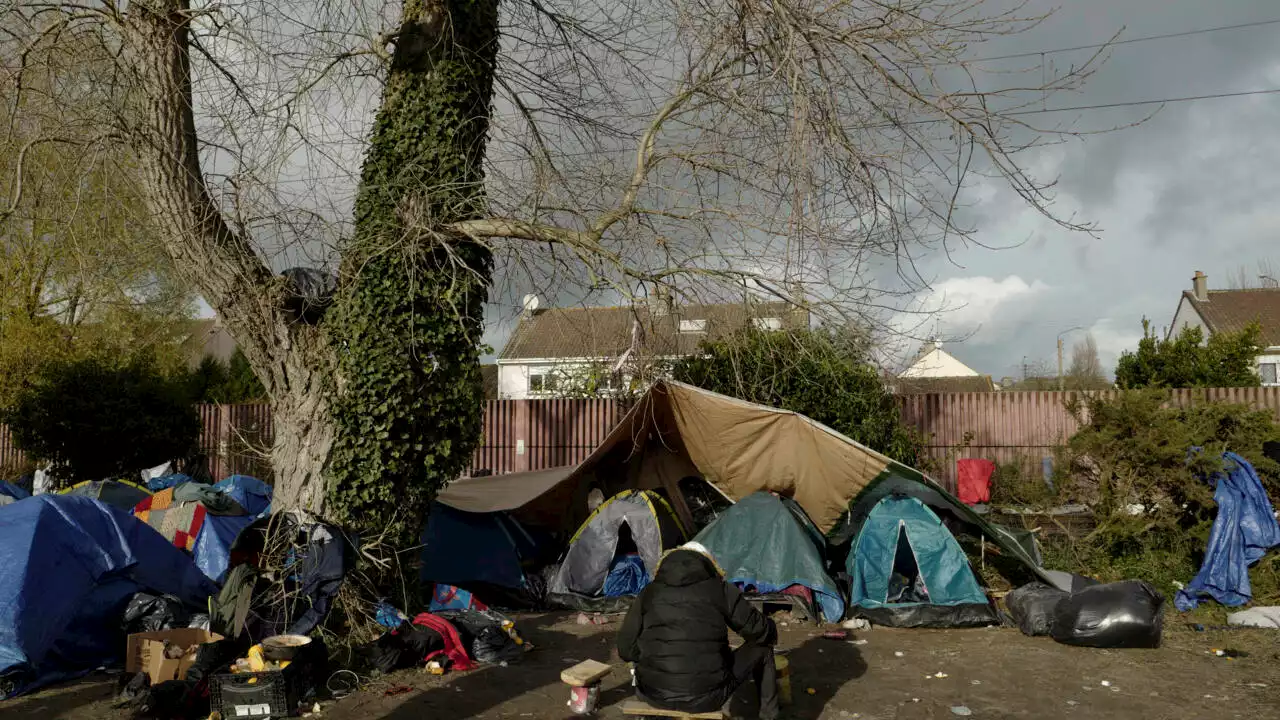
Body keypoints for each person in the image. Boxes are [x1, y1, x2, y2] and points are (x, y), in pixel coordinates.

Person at [617, 542, 779, 720]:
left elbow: (625, 648)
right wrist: (771, 629)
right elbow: (757, 630)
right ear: (708, 563)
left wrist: (654, 658)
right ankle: (769, 716)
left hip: (654, 694)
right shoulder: (719, 589)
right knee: (763, 647)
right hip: (706, 697)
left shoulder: (649, 592)